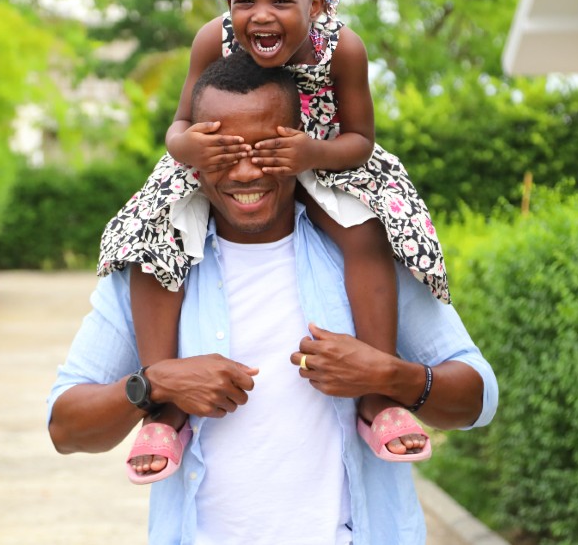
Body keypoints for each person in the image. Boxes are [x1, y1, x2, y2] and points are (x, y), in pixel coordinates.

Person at [50, 53, 497, 543]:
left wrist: (387, 375)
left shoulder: (366, 260)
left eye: (265, 150)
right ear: (193, 157)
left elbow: (478, 397)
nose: (245, 173)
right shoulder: (154, 267)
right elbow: (65, 426)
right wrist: (154, 385)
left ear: (299, 145)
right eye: (223, 152)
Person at [97, 0, 449, 481]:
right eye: (245, 1)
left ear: (318, 2)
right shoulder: (213, 40)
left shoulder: (343, 49)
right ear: (228, 3)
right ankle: (163, 405)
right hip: (223, 157)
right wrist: (190, 147)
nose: (261, 16)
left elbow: (359, 138)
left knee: (368, 233)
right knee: (153, 234)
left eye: (282, 1)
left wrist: (311, 152)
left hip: (319, 154)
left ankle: (378, 398)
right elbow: (179, 127)